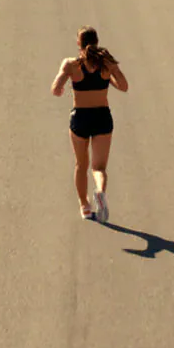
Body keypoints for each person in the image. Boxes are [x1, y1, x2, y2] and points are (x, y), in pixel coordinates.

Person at [50, 26, 129, 221]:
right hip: (102, 117)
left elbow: (55, 88)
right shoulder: (106, 63)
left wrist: (61, 86)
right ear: (97, 41)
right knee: (99, 168)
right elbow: (124, 86)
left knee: (81, 164)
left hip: (81, 118)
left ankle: (84, 206)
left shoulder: (71, 64)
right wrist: (109, 77)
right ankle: (100, 191)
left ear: (79, 43)